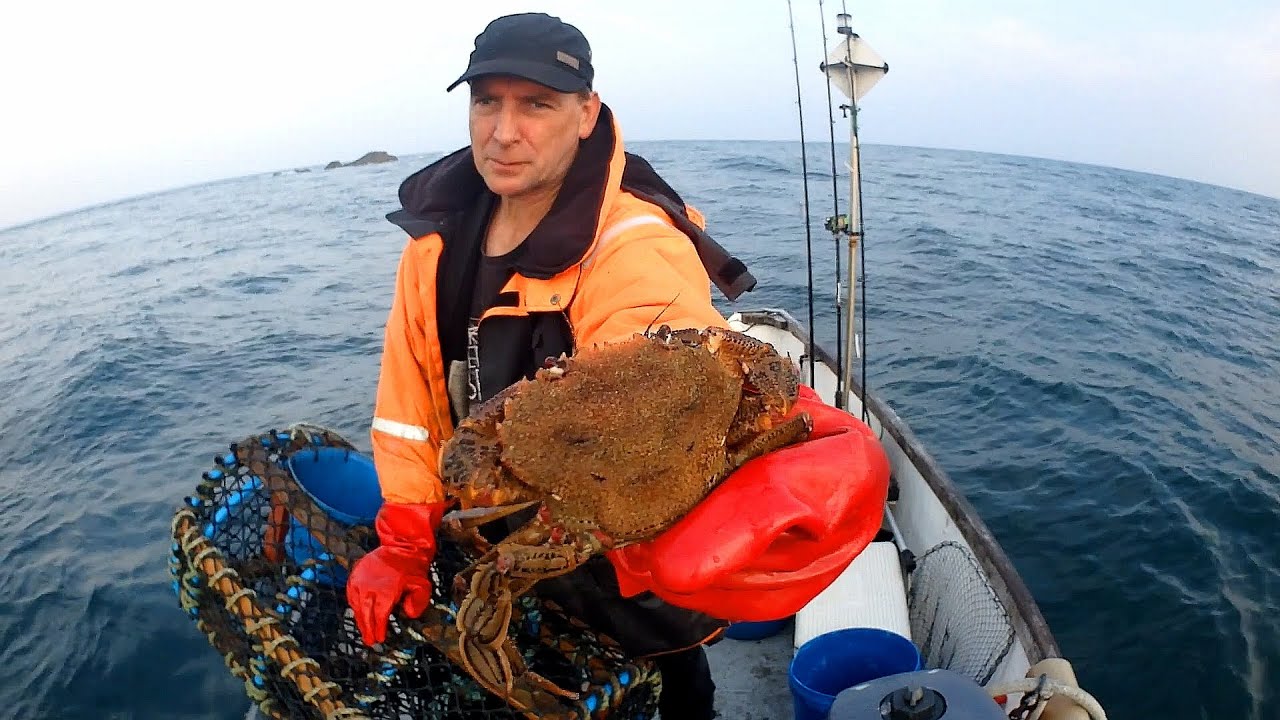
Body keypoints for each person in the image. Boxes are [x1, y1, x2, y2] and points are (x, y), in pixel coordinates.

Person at [345, 11, 892, 720]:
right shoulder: (434, 251)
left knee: (674, 684)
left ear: (585, 114)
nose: (504, 130)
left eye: (536, 103)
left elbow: (660, 325)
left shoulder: (633, 239)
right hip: (534, 546)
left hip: (647, 576)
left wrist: (693, 441)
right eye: (487, 101)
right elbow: (410, 409)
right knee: (503, 625)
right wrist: (405, 537)